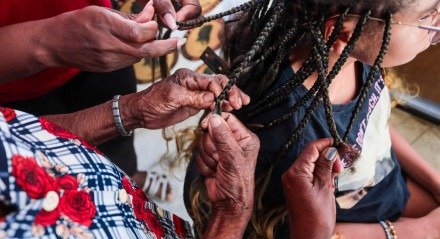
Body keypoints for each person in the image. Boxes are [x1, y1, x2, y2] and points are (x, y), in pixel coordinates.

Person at [183, 0, 440, 238]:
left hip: (389, 192)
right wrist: (415, 231)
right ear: (341, 34)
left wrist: (434, 182)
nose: (437, 23)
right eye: (427, 17)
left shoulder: (358, 53)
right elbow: (290, 227)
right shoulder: (288, 133)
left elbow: (374, 128)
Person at [0, 0, 201, 202]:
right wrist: (46, 42)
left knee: (117, 144)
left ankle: (128, 176)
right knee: (58, 170)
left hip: (104, 37)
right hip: (13, 95)